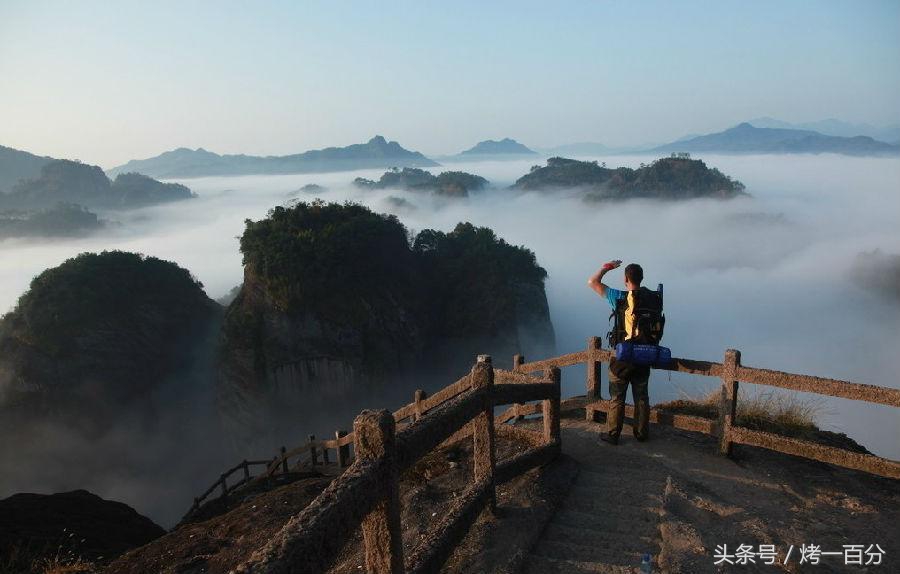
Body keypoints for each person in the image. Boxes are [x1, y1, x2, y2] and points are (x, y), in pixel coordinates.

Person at [587, 260, 650, 445]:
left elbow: (592, 282)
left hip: (624, 355)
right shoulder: (652, 299)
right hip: (645, 354)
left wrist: (606, 267)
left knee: (617, 396)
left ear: (625, 279)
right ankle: (641, 433)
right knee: (641, 396)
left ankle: (613, 434)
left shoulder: (620, 297)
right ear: (642, 278)